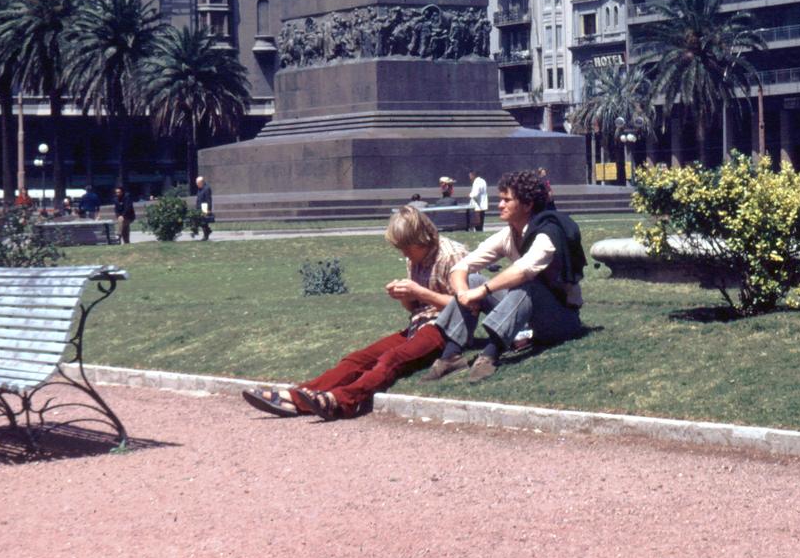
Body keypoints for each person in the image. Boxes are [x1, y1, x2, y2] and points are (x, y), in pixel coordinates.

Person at [241, 205, 467, 420]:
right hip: (418, 324)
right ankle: (294, 397)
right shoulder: (413, 258)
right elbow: (415, 308)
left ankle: (341, 401)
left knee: (391, 359)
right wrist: (406, 297)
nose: (405, 254)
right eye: (401, 249)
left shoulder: (451, 256)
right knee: (358, 358)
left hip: (444, 328)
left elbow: (467, 305)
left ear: (422, 238)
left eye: (408, 247)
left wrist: (420, 292)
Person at [424, 169, 586, 384]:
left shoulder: (548, 233)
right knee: (472, 280)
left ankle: (490, 354)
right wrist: (464, 294)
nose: (499, 205)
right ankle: (450, 356)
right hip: (528, 316)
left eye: (506, 200)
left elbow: (523, 270)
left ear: (527, 205)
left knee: (527, 284)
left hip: (561, 321)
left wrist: (482, 292)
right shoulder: (509, 234)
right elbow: (461, 267)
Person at [193, 176, 214, 241]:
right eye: (197, 184)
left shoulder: (207, 188)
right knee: (200, 221)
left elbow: (209, 199)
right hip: (199, 207)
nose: (197, 185)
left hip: (205, 207)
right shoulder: (200, 189)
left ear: (201, 182)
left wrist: (209, 209)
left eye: (198, 183)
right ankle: (208, 231)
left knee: (203, 222)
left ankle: (206, 236)